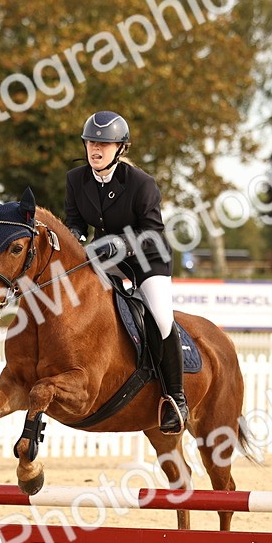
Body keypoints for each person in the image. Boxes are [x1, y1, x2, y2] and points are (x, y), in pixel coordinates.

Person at [63, 111, 187, 434]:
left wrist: (120, 245)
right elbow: (75, 221)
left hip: (147, 260)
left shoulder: (142, 184)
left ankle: (176, 398)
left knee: (160, 316)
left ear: (121, 148)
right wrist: (73, 237)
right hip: (104, 258)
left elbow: (152, 232)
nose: (96, 149)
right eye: (91, 142)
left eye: (104, 143)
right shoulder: (76, 180)